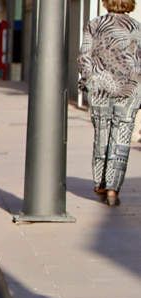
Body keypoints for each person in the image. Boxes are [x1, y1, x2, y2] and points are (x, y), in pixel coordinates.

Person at [78, 0, 141, 207]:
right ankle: (113, 189)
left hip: (101, 88)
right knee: (121, 137)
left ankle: (100, 182)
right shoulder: (137, 28)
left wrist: (90, 80)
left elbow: (84, 57)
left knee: (102, 133)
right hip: (130, 91)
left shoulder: (94, 24)